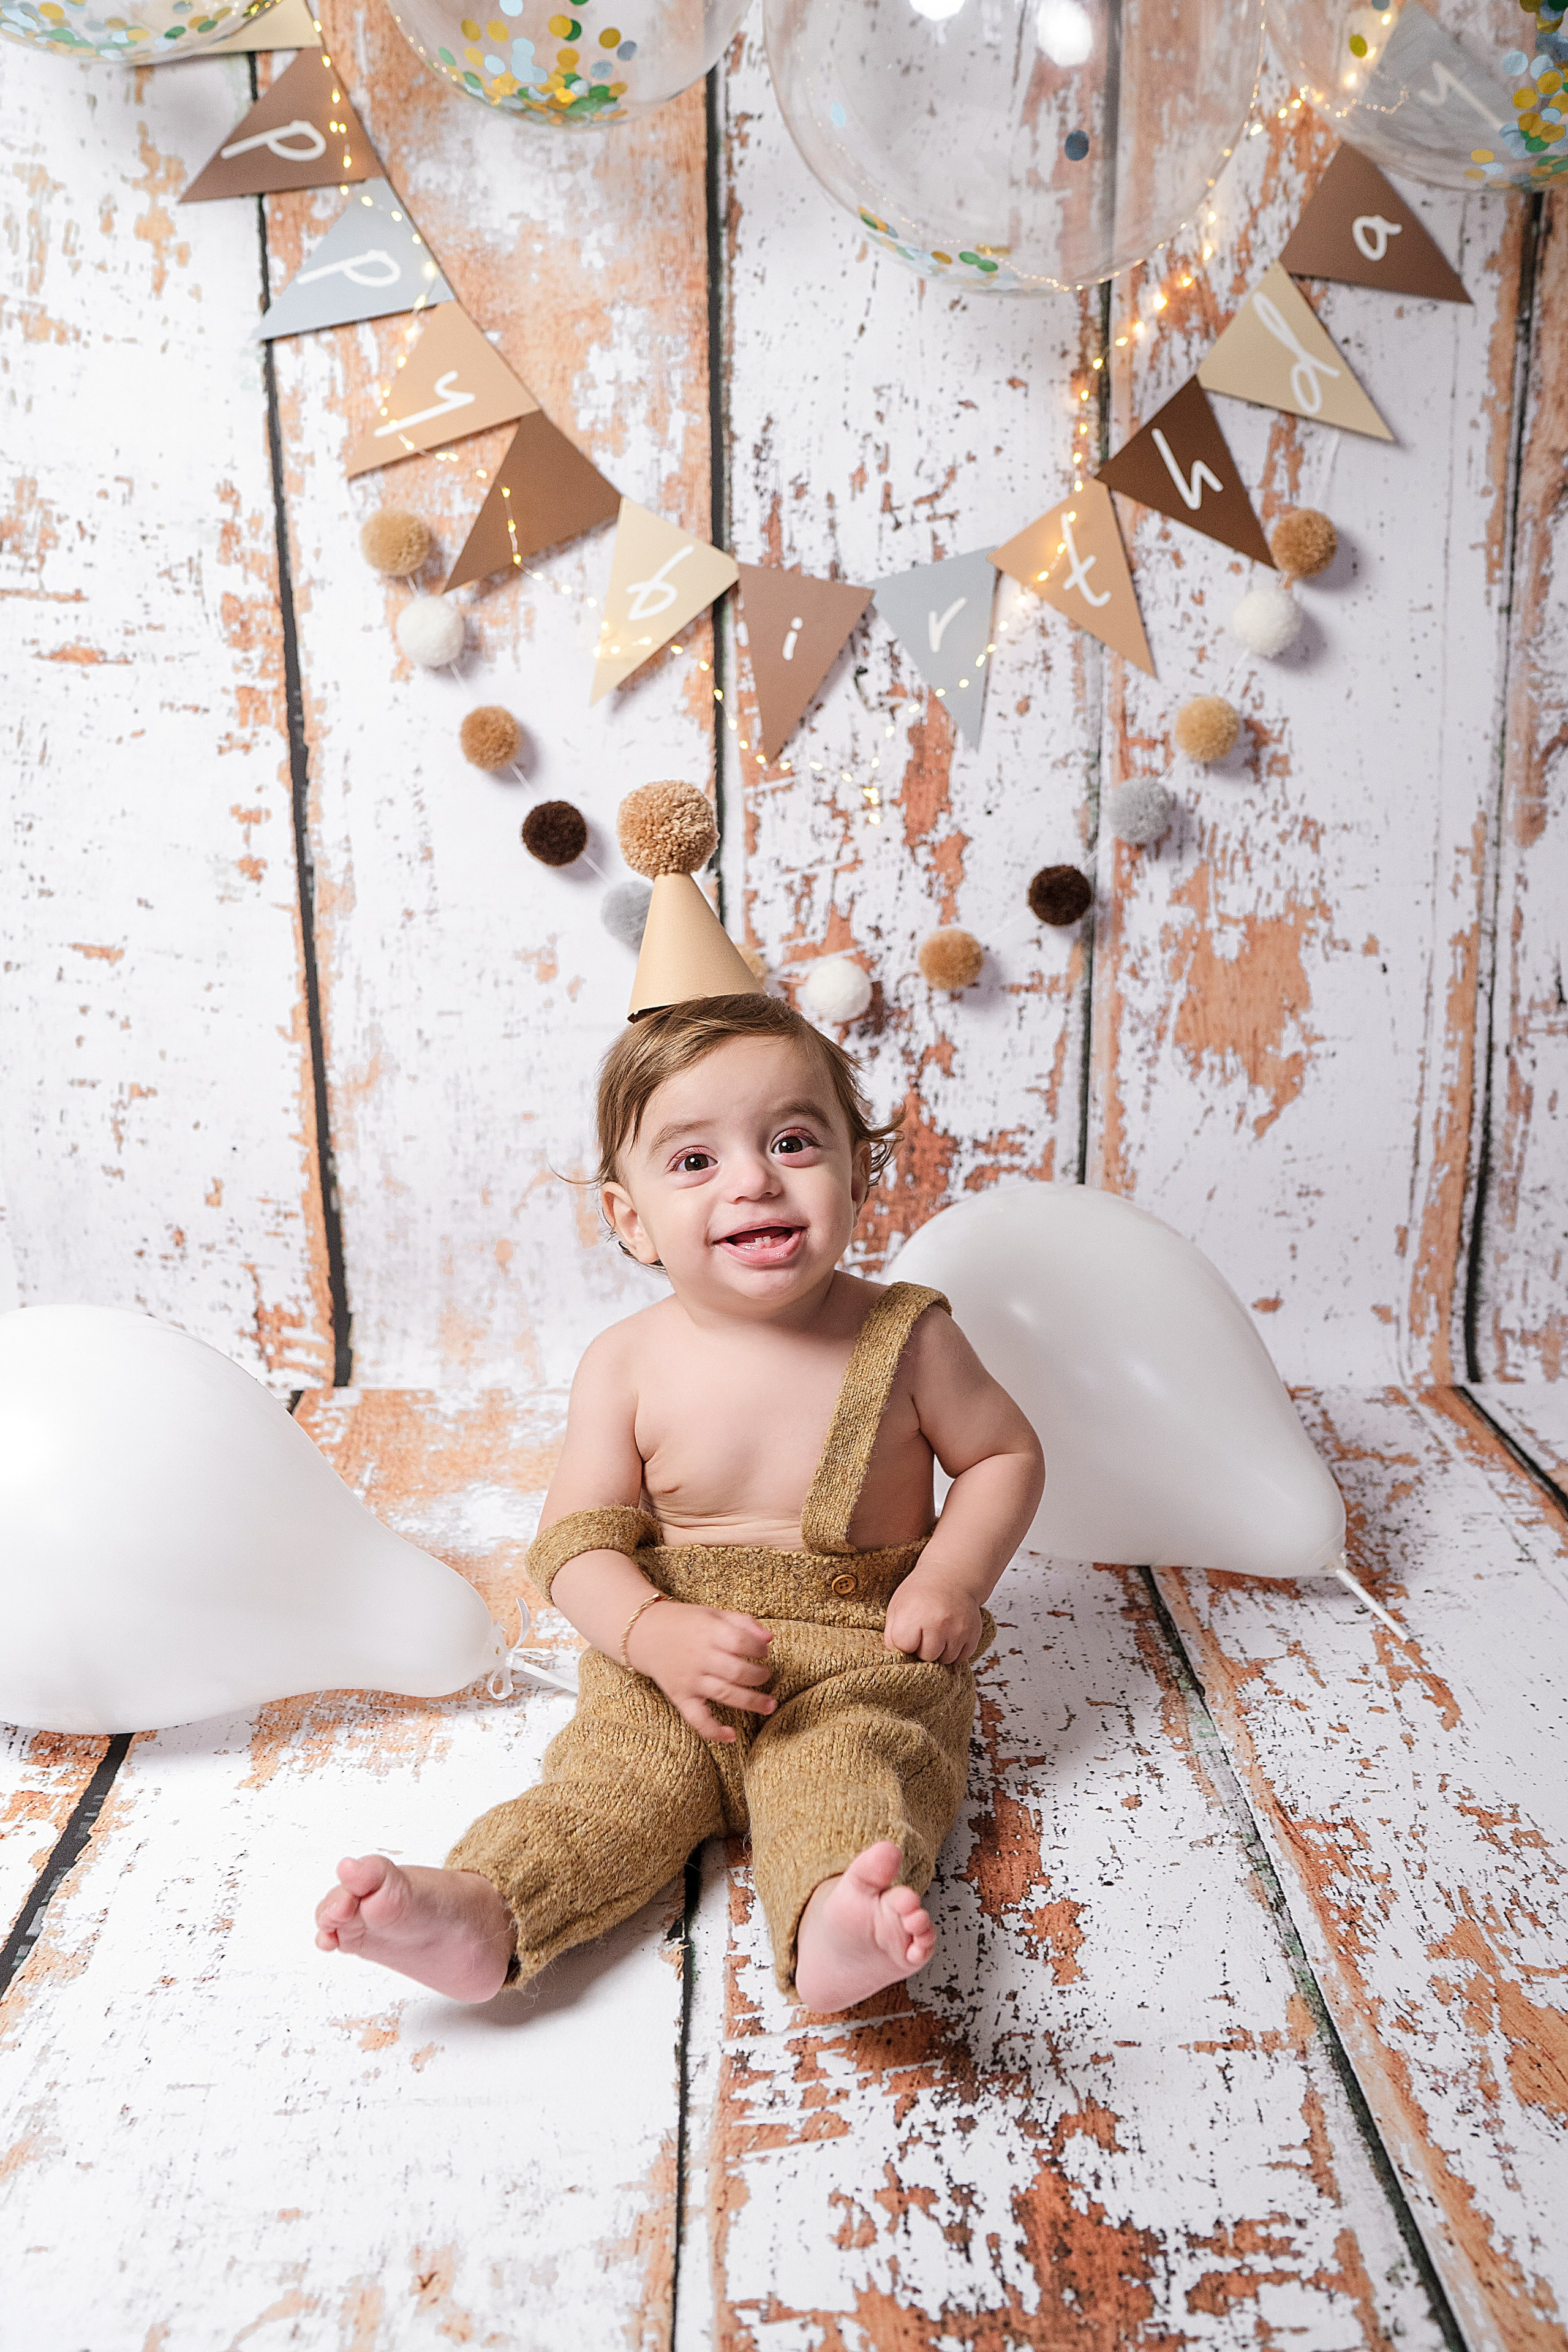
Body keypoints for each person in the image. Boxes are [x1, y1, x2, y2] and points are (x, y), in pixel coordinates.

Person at [314, 993, 1043, 2013]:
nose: (753, 1179)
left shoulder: (910, 1337)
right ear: (631, 1217)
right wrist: (650, 1634)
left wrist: (951, 1574)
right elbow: (575, 1542)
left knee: (856, 1780)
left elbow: (1004, 1455)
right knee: (608, 1794)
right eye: (695, 1161)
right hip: (666, 1675)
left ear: (857, 1171)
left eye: (793, 1140)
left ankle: (839, 1921)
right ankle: (485, 1912)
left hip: (862, 1657)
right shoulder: (626, 1363)